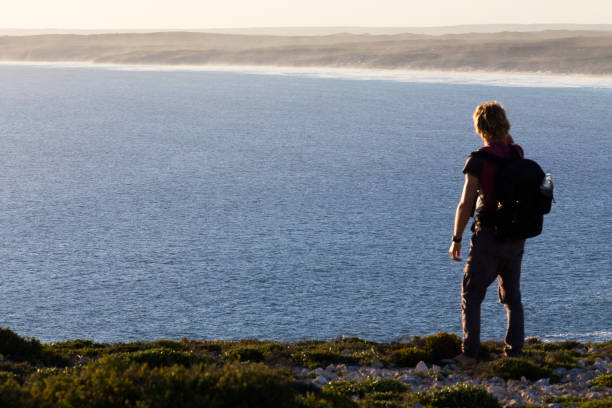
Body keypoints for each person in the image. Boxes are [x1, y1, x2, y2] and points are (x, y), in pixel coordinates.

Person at [448, 101, 526, 365]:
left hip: (489, 235)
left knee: (471, 293)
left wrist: (456, 238)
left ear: (479, 127)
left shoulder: (478, 160)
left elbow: (465, 204)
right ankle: (514, 354)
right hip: (516, 235)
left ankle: (469, 355)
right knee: (512, 297)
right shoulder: (517, 152)